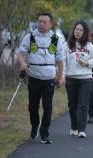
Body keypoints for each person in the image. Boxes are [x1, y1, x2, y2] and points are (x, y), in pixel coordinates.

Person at [18, 13, 64, 144]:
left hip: (49, 77)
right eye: (39, 21)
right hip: (34, 76)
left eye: (44, 22)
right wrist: (22, 63)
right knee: (33, 106)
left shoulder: (56, 39)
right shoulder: (30, 36)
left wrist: (61, 76)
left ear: (50, 24)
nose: (41, 24)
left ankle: (45, 133)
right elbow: (21, 54)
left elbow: (60, 60)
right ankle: (34, 125)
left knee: (48, 106)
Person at [64, 21, 93, 138]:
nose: (78, 32)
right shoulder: (67, 45)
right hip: (71, 78)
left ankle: (82, 129)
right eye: (76, 29)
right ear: (73, 31)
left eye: (81, 30)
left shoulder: (89, 45)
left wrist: (87, 63)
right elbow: (63, 62)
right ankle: (74, 126)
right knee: (72, 105)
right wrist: (62, 76)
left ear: (85, 32)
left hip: (86, 78)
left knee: (83, 104)